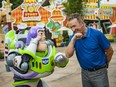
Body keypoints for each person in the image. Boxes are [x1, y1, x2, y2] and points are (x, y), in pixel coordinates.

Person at [65, 13, 114, 87]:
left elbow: (110, 50)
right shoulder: (73, 37)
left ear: (81, 23)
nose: (73, 29)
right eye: (71, 27)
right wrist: (73, 39)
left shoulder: (96, 34)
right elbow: (68, 55)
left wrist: (105, 65)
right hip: (84, 73)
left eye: (74, 26)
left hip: (99, 73)